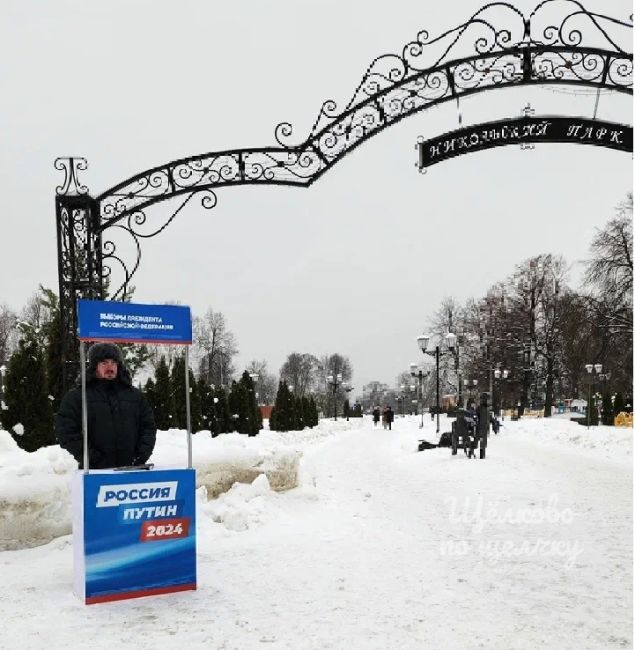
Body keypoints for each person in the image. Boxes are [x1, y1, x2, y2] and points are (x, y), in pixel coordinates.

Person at [56, 342, 157, 469]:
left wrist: (140, 456)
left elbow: (148, 427)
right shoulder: (77, 397)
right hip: (95, 472)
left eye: (113, 363)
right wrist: (93, 459)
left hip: (133, 471)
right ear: (94, 366)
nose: (110, 367)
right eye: (104, 363)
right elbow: (67, 433)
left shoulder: (135, 396)